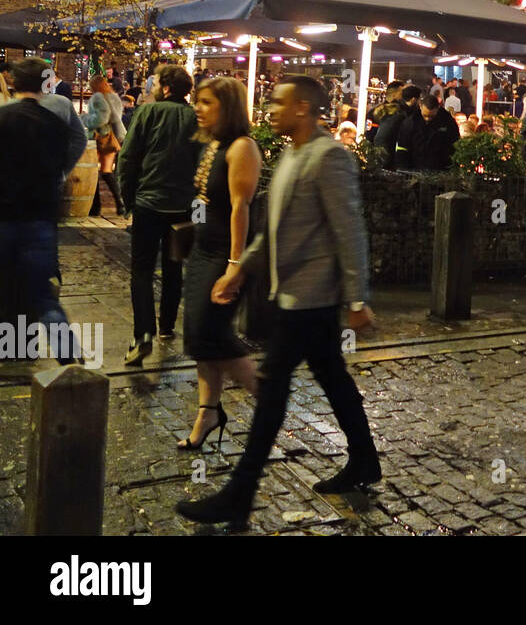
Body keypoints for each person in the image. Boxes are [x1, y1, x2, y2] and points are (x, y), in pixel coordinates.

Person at [176, 76, 380, 527]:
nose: (269, 107)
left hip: (312, 297)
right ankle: (365, 460)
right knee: (333, 378)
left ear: (304, 108)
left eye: (279, 102)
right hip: (292, 292)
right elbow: (271, 227)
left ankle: (239, 495)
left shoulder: (329, 157)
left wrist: (356, 297)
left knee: (272, 393)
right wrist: (241, 269)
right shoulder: (289, 153)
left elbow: (349, 230)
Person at [177, 77, 262, 452]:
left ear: (226, 107)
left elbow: (241, 208)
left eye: (207, 102)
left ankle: (267, 395)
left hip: (223, 255)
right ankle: (207, 413)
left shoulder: (241, 146)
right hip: (202, 249)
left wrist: (234, 265)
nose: (198, 108)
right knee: (199, 336)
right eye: (198, 101)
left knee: (212, 332)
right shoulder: (211, 143)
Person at [0, 59, 83, 364]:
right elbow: (69, 152)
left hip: (5, 217)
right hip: (41, 218)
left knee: (6, 287)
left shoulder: (3, 117)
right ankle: (69, 357)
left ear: (14, 83)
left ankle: (10, 349)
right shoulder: (55, 125)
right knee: (44, 295)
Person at [117, 64, 199, 365]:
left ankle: (143, 334)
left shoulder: (148, 113)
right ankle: (166, 326)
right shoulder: (195, 118)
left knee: (141, 269)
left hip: (149, 203)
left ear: (165, 88)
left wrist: (128, 199)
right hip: (183, 206)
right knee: (174, 265)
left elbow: (127, 157)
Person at [83, 75, 127, 218]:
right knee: (107, 171)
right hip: (114, 137)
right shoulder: (114, 97)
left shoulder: (97, 97)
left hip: (100, 137)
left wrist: (84, 118)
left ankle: (95, 207)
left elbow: (101, 118)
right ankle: (120, 204)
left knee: (94, 171)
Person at [395, 92, 460, 172]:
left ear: (438, 108)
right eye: (425, 115)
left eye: (431, 116)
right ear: (420, 107)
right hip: (415, 169)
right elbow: (402, 147)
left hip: (440, 170)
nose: (427, 119)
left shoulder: (448, 122)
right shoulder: (411, 122)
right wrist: (402, 168)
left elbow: (455, 145)